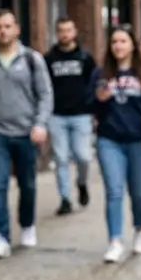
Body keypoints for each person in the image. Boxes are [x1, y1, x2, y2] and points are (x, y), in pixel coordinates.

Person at [0, 9, 54, 259]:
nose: (3, 31)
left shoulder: (31, 59)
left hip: (26, 132)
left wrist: (40, 124)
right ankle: (1, 237)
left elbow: (45, 94)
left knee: (27, 184)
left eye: (7, 26)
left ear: (17, 29)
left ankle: (27, 224)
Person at [91, 26, 141, 264]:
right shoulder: (102, 74)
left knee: (138, 193)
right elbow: (88, 103)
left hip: (139, 141)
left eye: (122, 41)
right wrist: (98, 100)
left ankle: (140, 230)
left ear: (132, 44)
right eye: (114, 42)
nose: (118, 46)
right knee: (114, 191)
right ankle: (115, 241)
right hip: (109, 140)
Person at [44, 17, 96, 215]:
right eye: (61, 30)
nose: (65, 34)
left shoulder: (85, 58)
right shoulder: (49, 59)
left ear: (74, 32)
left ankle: (82, 183)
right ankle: (65, 198)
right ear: (57, 34)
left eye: (68, 30)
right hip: (57, 115)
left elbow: (93, 83)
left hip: (81, 114)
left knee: (83, 156)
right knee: (60, 158)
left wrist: (92, 109)